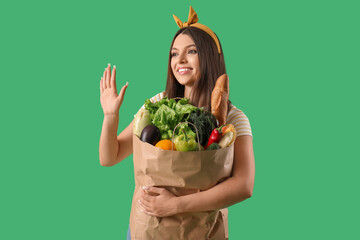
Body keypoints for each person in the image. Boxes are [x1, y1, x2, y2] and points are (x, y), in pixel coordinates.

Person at [99, 6, 255, 240]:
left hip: (201, 231)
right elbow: (110, 157)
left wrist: (175, 205)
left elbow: (244, 186)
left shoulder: (233, 119)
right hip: (147, 229)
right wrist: (110, 117)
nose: (179, 60)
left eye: (191, 51)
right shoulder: (158, 105)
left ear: (210, 57)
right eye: (173, 53)